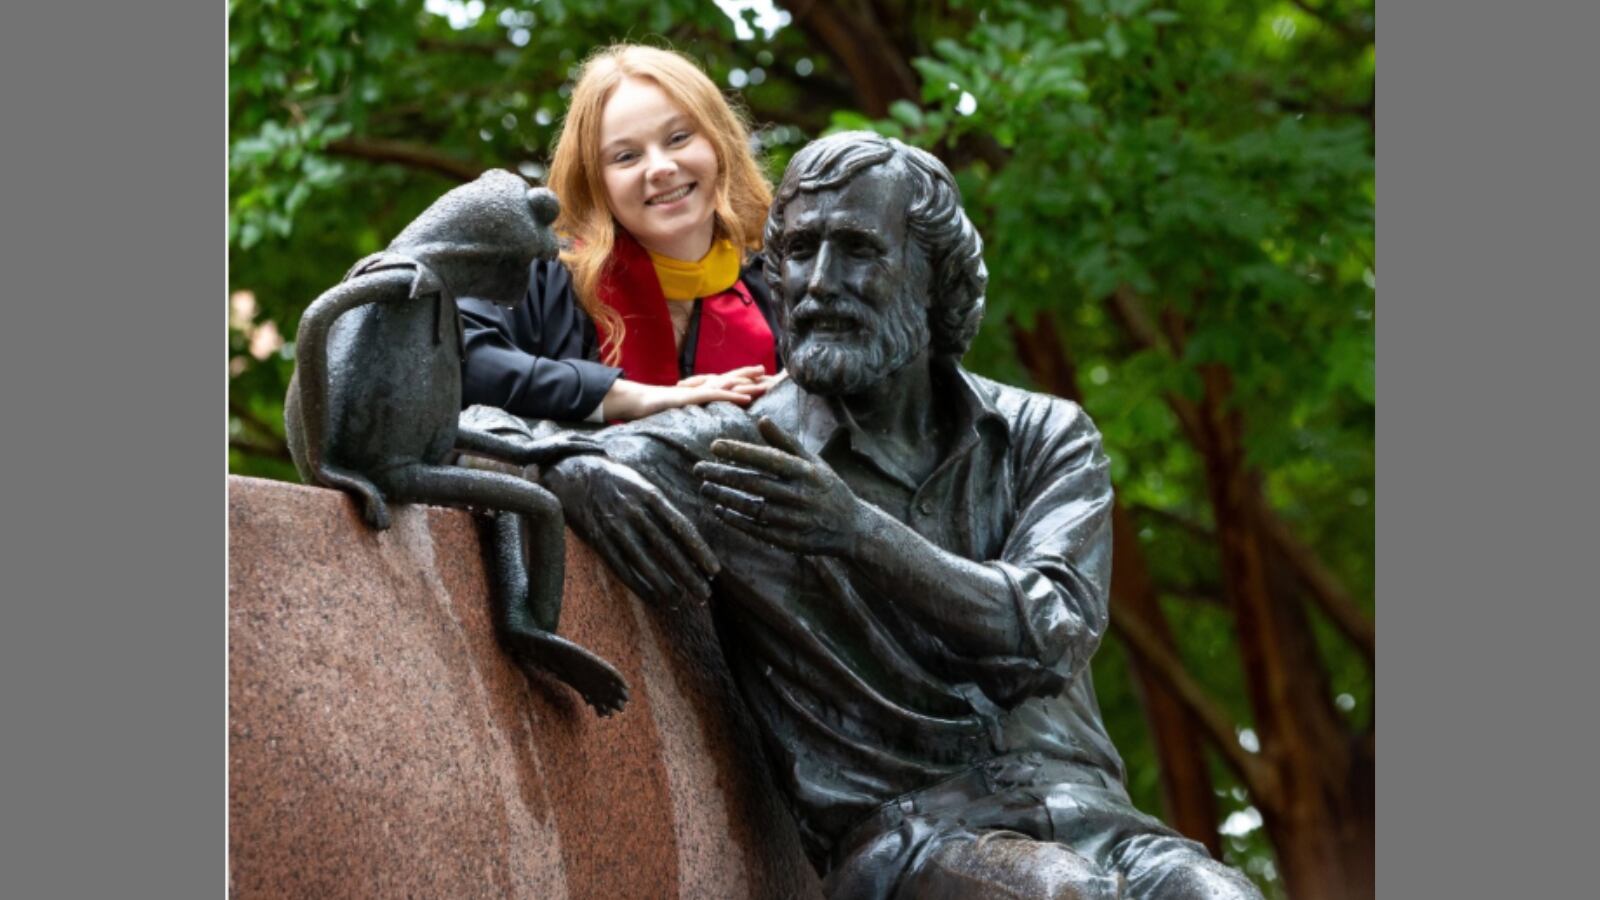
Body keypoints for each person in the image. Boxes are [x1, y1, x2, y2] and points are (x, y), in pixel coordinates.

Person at [533, 133, 1264, 899]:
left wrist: (856, 533)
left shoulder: (1042, 435)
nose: (818, 283)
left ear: (933, 275)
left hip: (1100, 821)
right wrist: (573, 466)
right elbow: (484, 434)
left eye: (857, 250)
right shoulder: (737, 449)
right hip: (912, 842)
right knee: (1061, 895)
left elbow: (1049, 633)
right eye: (799, 251)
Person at [459, 44, 783, 424]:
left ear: (720, 142)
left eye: (679, 137)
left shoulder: (782, 286)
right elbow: (450, 354)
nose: (660, 167)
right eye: (626, 156)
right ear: (595, 182)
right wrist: (626, 398)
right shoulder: (541, 276)